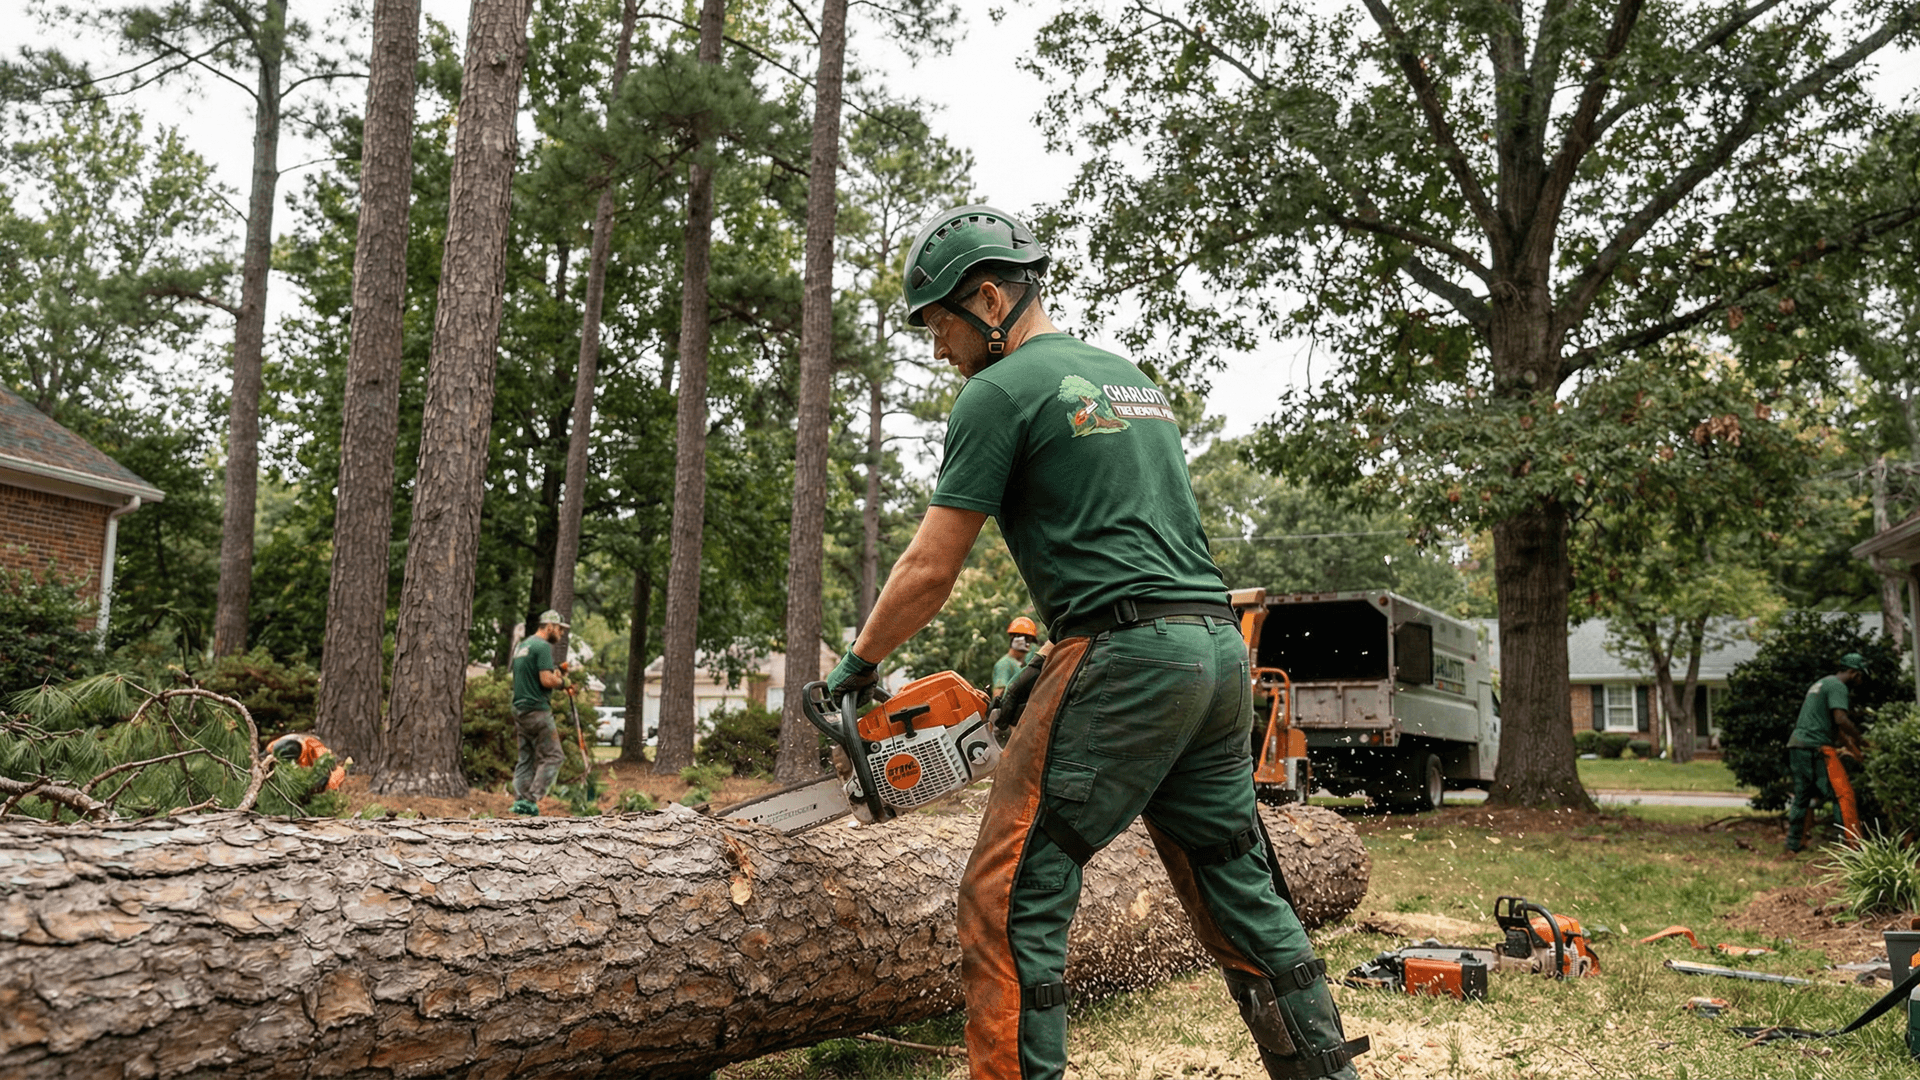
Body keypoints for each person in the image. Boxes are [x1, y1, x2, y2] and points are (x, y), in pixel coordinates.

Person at [824, 205, 1366, 1080]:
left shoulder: (996, 392)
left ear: (990, 298)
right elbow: (1137, 544)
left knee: (1006, 898)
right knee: (1235, 880)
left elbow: (930, 566)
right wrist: (1046, 660)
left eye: (938, 325)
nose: (936, 349)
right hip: (1214, 653)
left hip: (1131, 659)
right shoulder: (1126, 376)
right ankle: (1325, 1070)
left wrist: (856, 667)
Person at [1784, 652, 1867, 854]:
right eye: (1860, 675)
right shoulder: (1838, 686)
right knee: (1841, 794)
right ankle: (1848, 849)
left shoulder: (1822, 683)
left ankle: (1792, 846)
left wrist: (1855, 750)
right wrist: (1862, 740)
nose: (1861, 680)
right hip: (1816, 748)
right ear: (1853, 672)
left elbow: (1834, 729)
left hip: (1798, 745)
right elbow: (1841, 720)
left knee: (1801, 796)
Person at [508, 609, 570, 816]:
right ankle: (532, 799)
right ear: (550, 626)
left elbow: (530, 676)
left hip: (520, 710)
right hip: (538, 711)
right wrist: (563, 682)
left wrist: (556, 672)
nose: (561, 634)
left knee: (526, 757)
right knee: (554, 756)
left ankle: (520, 802)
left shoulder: (522, 646)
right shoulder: (543, 646)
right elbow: (545, 680)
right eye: (560, 629)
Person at [992, 616, 1040, 698]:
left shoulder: (1022, 664)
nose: (1029, 644)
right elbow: (998, 695)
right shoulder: (1004, 664)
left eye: (1030, 640)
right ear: (1015, 637)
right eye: (1027, 639)